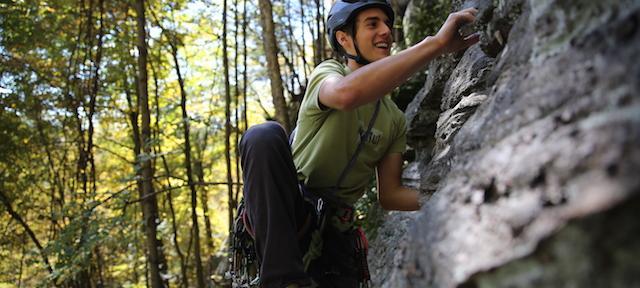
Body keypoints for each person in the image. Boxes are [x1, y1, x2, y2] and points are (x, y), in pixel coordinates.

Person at [239, 1, 479, 287]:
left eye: (388, 24)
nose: (386, 32)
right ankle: (282, 282)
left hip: (337, 236)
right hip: (291, 214)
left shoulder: (394, 120)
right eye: (372, 23)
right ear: (344, 38)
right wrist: (435, 44)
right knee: (262, 135)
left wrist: (452, 192)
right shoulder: (329, 74)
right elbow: (345, 95)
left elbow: (390, 194)